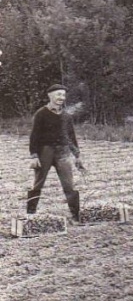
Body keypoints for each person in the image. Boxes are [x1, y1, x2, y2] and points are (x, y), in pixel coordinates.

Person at [27, 84, 84, 220]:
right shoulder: (41, 113)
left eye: (63, 95)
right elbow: (34, 136)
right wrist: (34, 155)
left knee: (69, 185)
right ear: (50, 95)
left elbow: (71, 137)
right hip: (45, 151)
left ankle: (76, 215)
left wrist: (77, 155)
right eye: (58, 94)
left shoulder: (66, 116)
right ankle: (30, 215)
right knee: (38, 184)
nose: (61, 98)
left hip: (63, 152)